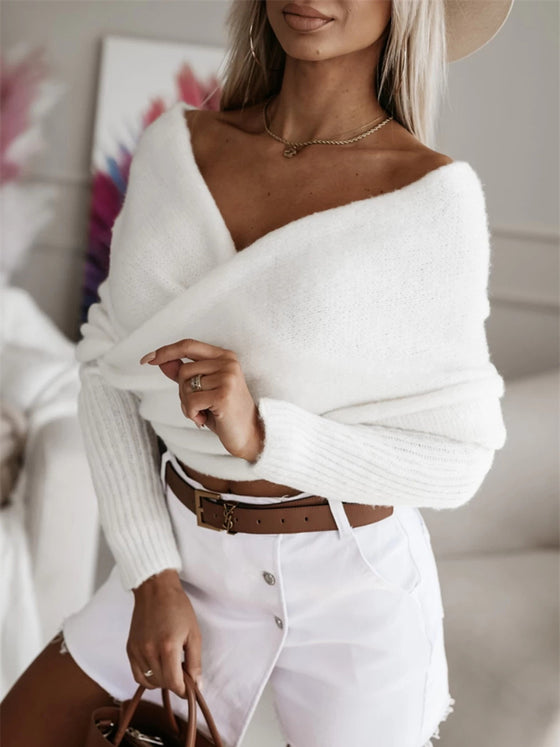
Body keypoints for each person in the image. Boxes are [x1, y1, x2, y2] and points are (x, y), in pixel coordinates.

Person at [0, 1, 514, 745]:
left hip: (350, 590)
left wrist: (265, 434)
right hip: (182, 557)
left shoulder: (431, 201)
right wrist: (152, 574)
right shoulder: (178, 149)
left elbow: (458, 461)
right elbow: (108, 371)